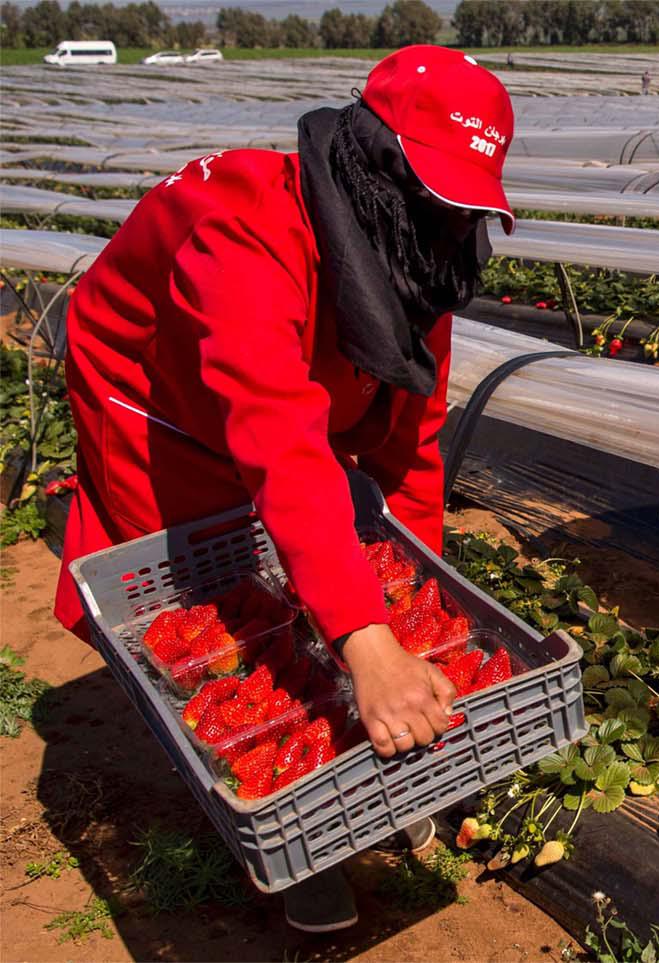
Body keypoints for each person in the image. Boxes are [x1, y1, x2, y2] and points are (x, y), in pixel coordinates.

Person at [54, 45, 515, 933]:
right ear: (376, 166)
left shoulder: (415, 251)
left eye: (463, 208)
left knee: (335, 572)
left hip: (285, 386)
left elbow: (414, 446)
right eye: (435, 197)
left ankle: (350, 762)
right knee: (209, 606)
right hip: (159, 399)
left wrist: (408, 600)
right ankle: (270, 814)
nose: (448, 224)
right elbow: (278, 439)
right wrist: (366, 641)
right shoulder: (242, 229)